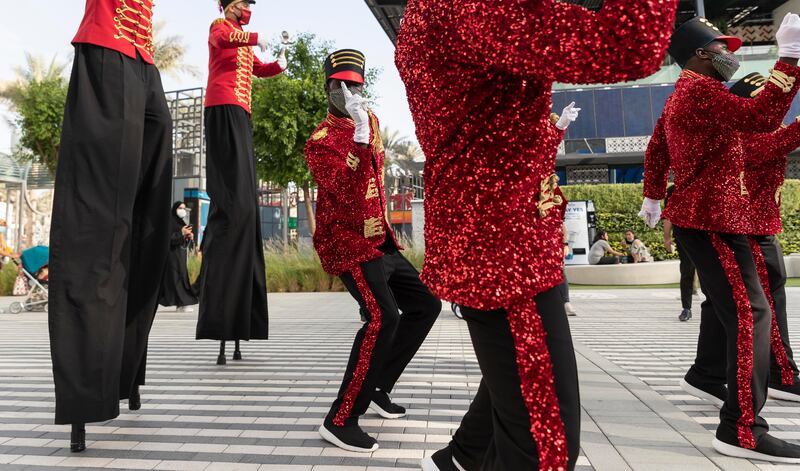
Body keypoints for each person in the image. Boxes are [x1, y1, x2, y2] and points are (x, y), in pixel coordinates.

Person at [396, 0, 679, 469]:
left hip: (502, 240)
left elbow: (500, 129)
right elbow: (627, 43)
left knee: (517, 391)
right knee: (544, 447)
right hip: (506, 252)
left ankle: (461, 458)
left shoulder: (438, 12)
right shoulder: (467, 9)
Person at [641, 15, 800, 462]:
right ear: (700, 54)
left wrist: (653, 196)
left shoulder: (688, 95)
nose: (731, 54)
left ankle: (714, 384)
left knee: (741, 309)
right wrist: (789, 58)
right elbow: (761, 116)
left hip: (715, 218)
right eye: (721, 46)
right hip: (713, 219)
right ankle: (741, 429)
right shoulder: (699, 92)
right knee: (752, 313)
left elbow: (657, 148)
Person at [48, 0, 173, 453]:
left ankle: (126, 370)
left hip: (145, 65)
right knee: (100, 228)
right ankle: (86, 396)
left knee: (150, 225)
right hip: (106, 50)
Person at [304, 49, 441, 453]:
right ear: (328, 88)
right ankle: (341, 418)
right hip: (345, 240)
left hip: (379, 238)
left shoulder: (373, 120)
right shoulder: (320, 141)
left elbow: (375, 185)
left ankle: (379, 383)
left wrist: (366, 131)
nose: (348, 93)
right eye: (340, 86)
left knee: (425, 305)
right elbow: (344, 192)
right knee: (382, 317)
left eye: (355, 85)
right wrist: (360, 142)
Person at [678, 72, 800, 413]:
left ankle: (706, 372)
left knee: (726, 302)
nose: (773, 113)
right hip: (741, 227)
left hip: (756, 225)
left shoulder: (757, 129)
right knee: (760, 302)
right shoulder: (736, 135)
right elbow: (770, 147)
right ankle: (778, 375)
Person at [195, 0, 287, 365]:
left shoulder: (243, 40)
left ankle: (240, 312)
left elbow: (258, 69)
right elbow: (223, 41)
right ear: (229, 5)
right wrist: (256, 36)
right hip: (222, 107)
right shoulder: (220, 26)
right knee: (232, 203)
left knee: (246, 204)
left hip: (241, 111)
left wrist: (279, 62)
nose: (247, 7)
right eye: (242, 2)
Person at [663, 185, 697, 321]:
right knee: (687, 270)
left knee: (710, 271)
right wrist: (666, 237)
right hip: (684, 235)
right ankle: (686, 308)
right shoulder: (672, 190)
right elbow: (668, 215)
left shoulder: (705, 182)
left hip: (706, 234)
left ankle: (716, 307)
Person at [159, 202, 198, 313]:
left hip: (180, 256)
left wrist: (188, 236)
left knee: (181, 278)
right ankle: (183, 303)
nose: (183, 210)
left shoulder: (181, 222)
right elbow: (169, 239)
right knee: (176, 279)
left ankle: (181, 304)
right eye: (180, 208)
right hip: (172, 256)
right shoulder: (170, 222)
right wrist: (181, 233)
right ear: (175, 209)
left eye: (184, 208)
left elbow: (183, 242)